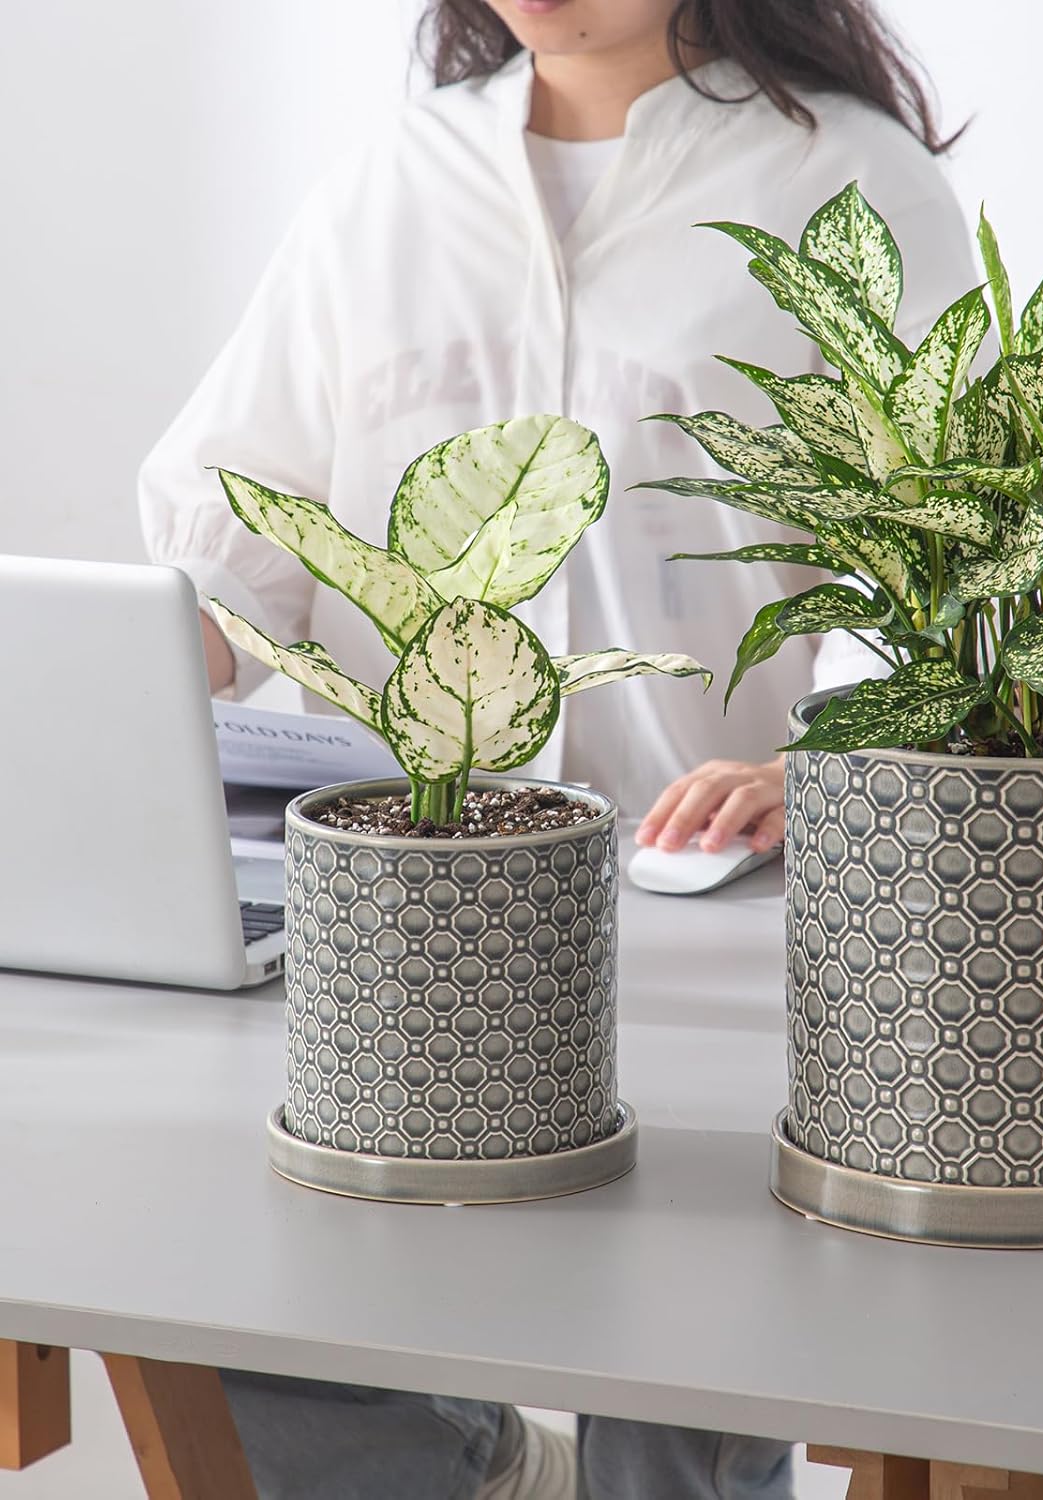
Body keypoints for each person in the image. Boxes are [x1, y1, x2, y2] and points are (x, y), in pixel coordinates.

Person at [141, 1, 972, 1495]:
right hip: (413, 896)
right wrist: (141, 666)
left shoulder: (846, 177)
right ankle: (482, 1469)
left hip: (718, 893)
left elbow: (942, 534)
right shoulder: (394, 182)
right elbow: (238, 520)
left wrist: (826, 767)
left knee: (685, 1385)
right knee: (250, 1296)